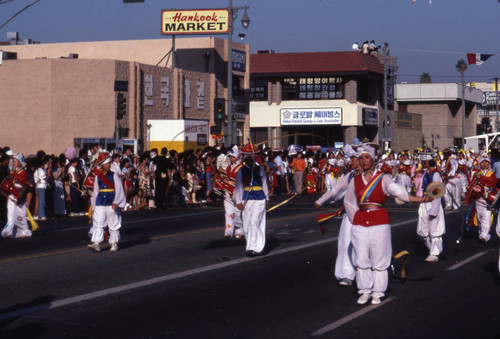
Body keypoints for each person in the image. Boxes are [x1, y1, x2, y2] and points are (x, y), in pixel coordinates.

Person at [344, 143, 429, 305]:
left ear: (373, 158)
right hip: (360, 223)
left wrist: (420, 199)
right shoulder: (355, 180)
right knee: (361, 257)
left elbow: (400, 193)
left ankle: (378, 291)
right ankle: (364, 290)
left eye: (367, 157)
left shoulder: (383, 178)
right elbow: (348, 201)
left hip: (379, 222)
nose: (363, 161)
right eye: (361, 158)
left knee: (379, 258)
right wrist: (355, 217)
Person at [314, 144, 359, 286]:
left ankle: (366, 274)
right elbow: (335, 190)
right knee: (345, 244)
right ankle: (346, 274)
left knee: (365, 246)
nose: (350, 161)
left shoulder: (370, 176)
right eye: (350, 159)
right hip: (349, 217)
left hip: (365, 217)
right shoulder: (349, 176)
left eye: (352, 158)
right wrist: (320, 201)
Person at [235, 143, 270, 257]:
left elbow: (264, 184)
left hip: (259, 199)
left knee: (255, 222)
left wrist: (267, 198)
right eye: (247, 155)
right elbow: (238, 186)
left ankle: (255, 248)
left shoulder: (259, 169)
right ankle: (251, 244)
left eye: (251, 155)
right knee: (247, 225)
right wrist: (238, 201)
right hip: (247, 199)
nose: (250, 158)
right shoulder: (241, 170)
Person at [88, 152, 126, 252]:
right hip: (100, 202)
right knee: (98, 223)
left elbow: (119, 189)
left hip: (111, 202)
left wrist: (116, 201)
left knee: (113, 223)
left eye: (109, 163)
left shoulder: (114, 175)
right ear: (102, 165)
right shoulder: (98, 176)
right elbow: (96, 192)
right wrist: (94, 206)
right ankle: (96, 243)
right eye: (106, 164)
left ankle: (114, 243)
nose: (108, 165)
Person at [417, 154, 445, 262]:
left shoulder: (435, 174)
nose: (421, 163)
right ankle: (431, 250)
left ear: (428, 162)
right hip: (425, 203)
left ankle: (435, 253)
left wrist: (434, 210)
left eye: (423, 161)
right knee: (423, 230)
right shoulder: (426, 173)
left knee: (435, 229)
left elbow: (437, 193)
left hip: (432, 203)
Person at [465, 154, 497, 243]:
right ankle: (481, 233)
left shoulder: (492, 174)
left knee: (486, 218)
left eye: (486, 162)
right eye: (483, 162)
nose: (485, 164)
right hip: (478, 200)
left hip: (488, 200)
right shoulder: (476, 173)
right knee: (479, 218)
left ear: (489, 163)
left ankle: (485, 235)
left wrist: (482, 178)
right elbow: (472, 184)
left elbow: (492, 182)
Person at [1, 154, 32, 238]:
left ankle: (25, 231)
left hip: (20, 196)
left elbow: (22, 180)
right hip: (11, 196)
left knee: (21, 216)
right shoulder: (11, 171)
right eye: (13, 161)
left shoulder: (23, 172)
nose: (13, 163)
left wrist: (14, 175)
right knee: (10, 215)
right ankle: (7, 232)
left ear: (19, 163)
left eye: (15, 161)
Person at [223, 146, 244, 239]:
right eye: (230, 156)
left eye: (233, 156)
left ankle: (239, 231)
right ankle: (228, 231)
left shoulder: (242, 167)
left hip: (237, 193)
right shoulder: (228, 167)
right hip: (228, 193)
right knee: (228, 213)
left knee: (238, 212)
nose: (231, 158)